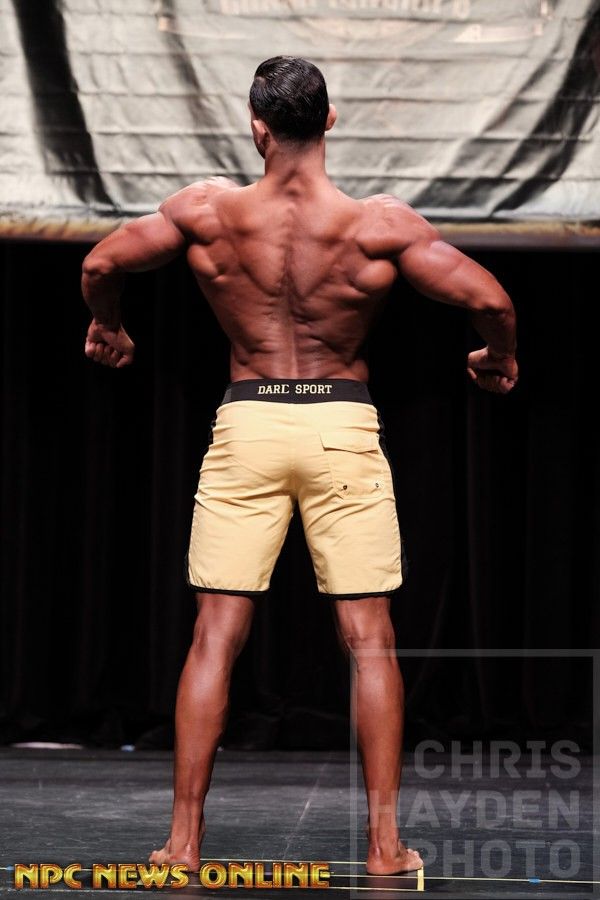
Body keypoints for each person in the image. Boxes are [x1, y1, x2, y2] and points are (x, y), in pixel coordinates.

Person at [81, 55, 518, 876]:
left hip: (247, 424)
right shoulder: (375, 225)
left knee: (215, 634)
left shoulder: (206, 212)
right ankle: (385, 848)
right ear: (330, 120)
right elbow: (490, 299)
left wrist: (109, 327)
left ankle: (183, 844)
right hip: (339, 424)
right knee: (370, 641)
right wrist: (498, 356)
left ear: (257, 127)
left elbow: (101, 263)